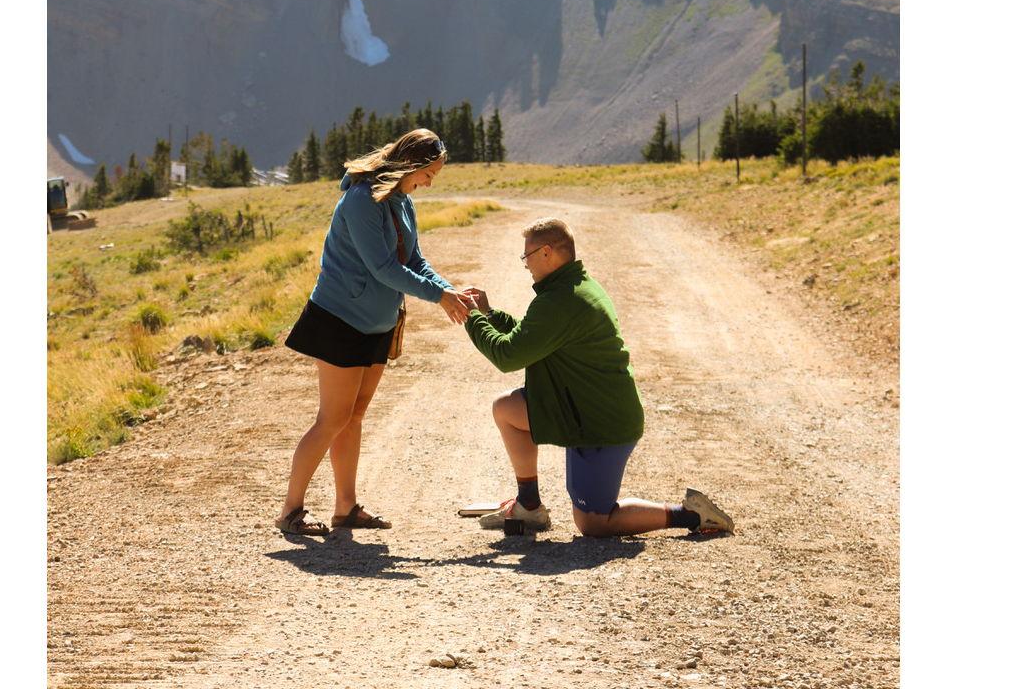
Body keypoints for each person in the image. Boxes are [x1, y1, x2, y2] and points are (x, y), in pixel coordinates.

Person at [461, 218, 734, 538]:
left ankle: (690, 515)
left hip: (601, 423)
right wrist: (490, 315)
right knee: (506, 409)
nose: (525, 265)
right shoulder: (571, 287)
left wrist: (471, 318)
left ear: (547, 252)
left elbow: (507, 356)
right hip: (580, 409)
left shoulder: (562, 299)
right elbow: (530, 337)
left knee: (594, 522)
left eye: (527, 256)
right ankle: (529, 506)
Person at [275, 129, 474, 535]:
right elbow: (383, 268)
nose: (429, 183)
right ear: (411, 165)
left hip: (378, 323)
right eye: (429, 174)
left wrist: (446, 288)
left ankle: (345, 508)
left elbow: (414, 259)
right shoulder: (361, 200)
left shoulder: (401, 201)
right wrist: (438, 297)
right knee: (332, 418)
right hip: (340, 320)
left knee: (354, 416)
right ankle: (290, 511)